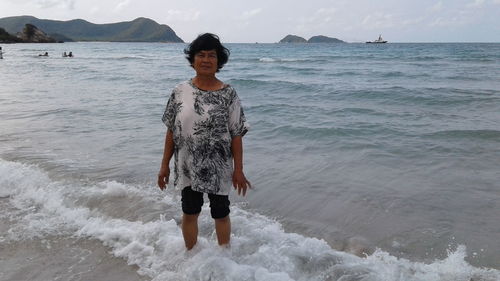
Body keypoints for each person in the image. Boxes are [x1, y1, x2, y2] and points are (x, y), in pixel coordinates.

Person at [158, 33, 251, 250]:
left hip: (219, 168)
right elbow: (171, 131)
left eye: (212, 55)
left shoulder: (229, 94)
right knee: (190, 213)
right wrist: (164, 166)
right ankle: (191, 257)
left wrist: (239, 170)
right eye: (201, 55)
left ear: (219, 61)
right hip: (187, 166)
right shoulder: (179, 91)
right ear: (193, 60)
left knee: (221, 214)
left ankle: (224, 260)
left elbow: (236, 134)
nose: (206, 59)